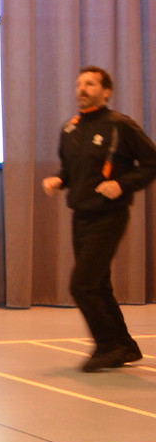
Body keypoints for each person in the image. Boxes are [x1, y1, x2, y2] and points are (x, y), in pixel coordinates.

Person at [42, 66, 156, 371]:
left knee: (83, 284)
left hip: (109, 215)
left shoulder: (119, 125)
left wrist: (123, 184)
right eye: (79, 83)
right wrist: (59, 180)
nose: (82, 88)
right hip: (81, 215)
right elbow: (70, 171)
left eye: (90, 83)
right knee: (98, 283)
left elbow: (151, 162)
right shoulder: (70, 129)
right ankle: (125, 346)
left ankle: (108, 346)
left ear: (106, 92)